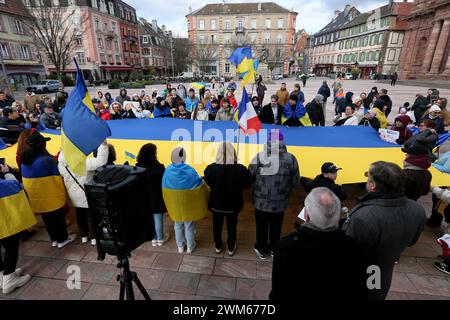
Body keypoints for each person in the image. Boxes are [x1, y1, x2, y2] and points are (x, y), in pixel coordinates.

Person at [342, 161, 426, 300]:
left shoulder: (364, 217)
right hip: (383, 272)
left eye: (367, 178)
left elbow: (348, 253)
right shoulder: (417, 210)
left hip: (362, 274)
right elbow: (412, 241)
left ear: (373, 185)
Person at [270, 187, 367, 301]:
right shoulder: (355, 248)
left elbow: (279, 289)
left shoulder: (286, 247)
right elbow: (361, 287)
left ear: (306, 216)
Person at [248, 130, 300, 259]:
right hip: (280, 202)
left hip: (261, 202)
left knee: (261, 226)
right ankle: (273, 248)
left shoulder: (259, 157)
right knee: (276, 226)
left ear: (269, 141)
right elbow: (296, 181)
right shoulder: (291, 158)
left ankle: (261, 249)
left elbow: (249, 176)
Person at [21, 132, 76, 248]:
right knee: (57, 218)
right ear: (41, 145)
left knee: (47, 218)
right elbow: (58, 173)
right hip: (51, 196)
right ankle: (63, 239)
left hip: (37, 198)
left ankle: (54, 239)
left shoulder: (24, 161)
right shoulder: (46, 161)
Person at [203, 142, 251, 255]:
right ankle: (230, 247)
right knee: (232, 225)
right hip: (234, 206)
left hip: (216, 205)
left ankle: (218, 245)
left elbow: (208, 182)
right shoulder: (241, 169)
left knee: (217, 225)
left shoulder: (210, 168)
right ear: (233, 153)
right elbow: (246, 185)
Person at [58, 141, 108, 246]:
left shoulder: (61, 165)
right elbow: (100, 162)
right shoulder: (83, 162)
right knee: (91, 215)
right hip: (86, 193)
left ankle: (84, 235)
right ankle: (94, 237)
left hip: (74, 194)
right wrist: (103, 145)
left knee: (80, 215)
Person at [162, 147, 209, 254]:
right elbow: (200, 184)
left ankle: (180, 246)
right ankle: (190, 246)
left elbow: (164, 187)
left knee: (177, 224)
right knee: (189, 225)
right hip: (188, 204)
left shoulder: (167, 171)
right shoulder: (190, 170)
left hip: (174, 205)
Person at [0, 162, 36, 294]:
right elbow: (16, 186)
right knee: (11, 246)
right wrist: (6, 173)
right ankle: (9, 279)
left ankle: (3, 275)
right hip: (2, 222)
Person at [136, 143, 169, 246]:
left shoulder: (138, 167)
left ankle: (153, 239)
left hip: (144, 197)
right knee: (158, 218)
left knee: (150, 219)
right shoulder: (160, 167)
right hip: (157, 197)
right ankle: (160, 239)